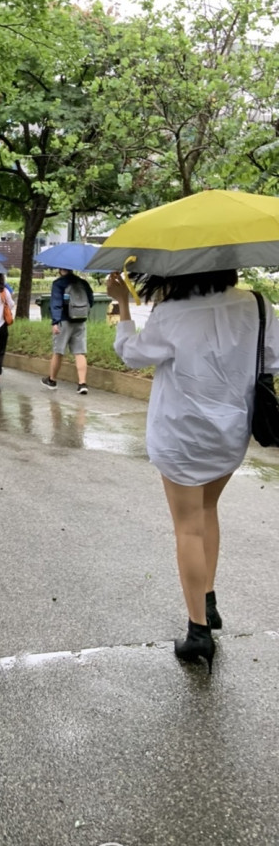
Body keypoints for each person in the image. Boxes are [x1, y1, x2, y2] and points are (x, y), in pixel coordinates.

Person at [106, 268, 279, 673]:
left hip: (181, 433)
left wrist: (124, 303)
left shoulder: (173, 312)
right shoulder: (256, 304)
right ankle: (209, 600)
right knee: (207, 512)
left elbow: (133, 353)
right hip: (231, 430)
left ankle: (198, 631)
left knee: (188, 526)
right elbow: (272, 358)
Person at [41, 267, 94, 394]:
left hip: (63, 321)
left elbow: (56, 303)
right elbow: (90, 301)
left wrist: (55, 322)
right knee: (79, 352)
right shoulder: (83, 282)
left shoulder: (59, 283)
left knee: (58, 351)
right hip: (80, 320)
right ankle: (82, 384)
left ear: (60, 269)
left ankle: (52, 380)